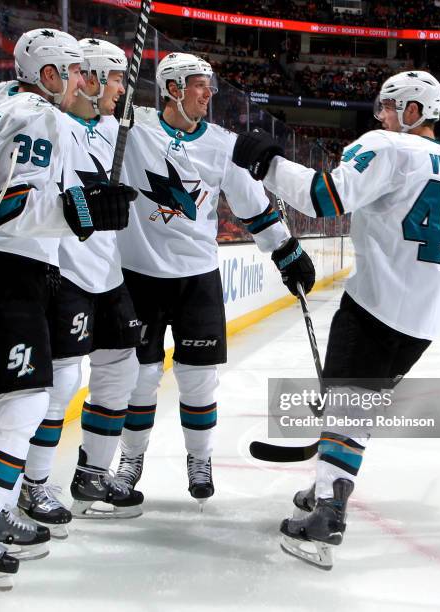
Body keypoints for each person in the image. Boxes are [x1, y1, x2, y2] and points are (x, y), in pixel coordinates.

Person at [232, 70, 440, 568]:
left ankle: (327, 513)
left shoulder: (390, 147)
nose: (380, 116)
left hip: (377, 303)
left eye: (388, 107)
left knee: (348, 406)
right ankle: (326, 483)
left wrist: (268, 162)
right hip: (426, 321)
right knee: (357, 405)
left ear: (413, 112)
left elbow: (323, 198)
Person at [0, 28, 135, 589]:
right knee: (22, 402)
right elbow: (15, 205)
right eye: (73, 72)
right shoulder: (42, 116)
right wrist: (85, 213)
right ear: (48, 76)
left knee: (17, 399)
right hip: (5, 269)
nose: (81, 82)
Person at [113, 52, 315, 508]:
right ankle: (129, 460)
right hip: (139, 277)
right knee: (139, 380)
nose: (209, 93)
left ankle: (199, 459)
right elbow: (94, 117)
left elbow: (254, 206)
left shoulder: (223, 144)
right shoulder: (133, 130)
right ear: (171, 89)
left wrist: (286, 251)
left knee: (199, 381)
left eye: (209, 84)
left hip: (197, 280)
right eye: (198, 84)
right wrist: (115, 104)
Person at [17, 38, 142, 533]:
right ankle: (34, 483)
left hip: (108, 273)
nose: (121, 90)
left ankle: (92, 473)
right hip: (64, 272)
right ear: (86, 79)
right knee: (62, 380)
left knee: (121, 368)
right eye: (114, 79)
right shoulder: (52, 125)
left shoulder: (118, 128)